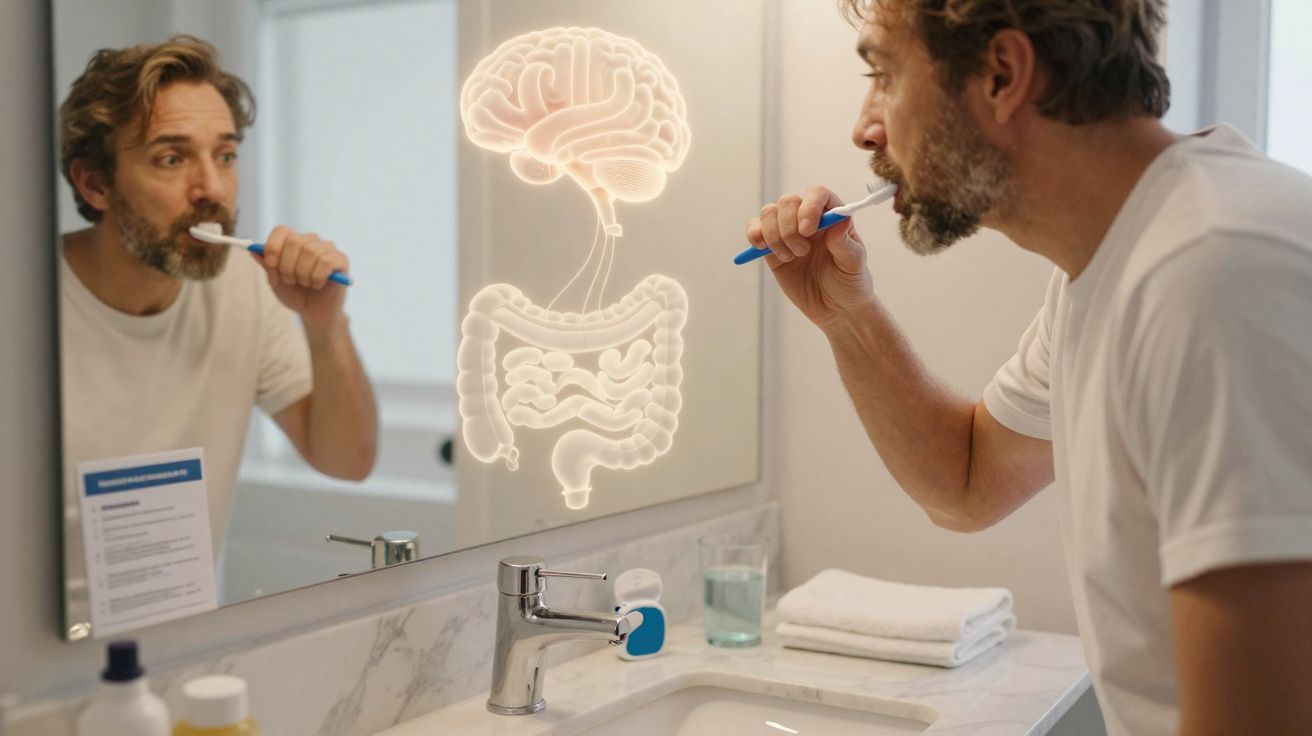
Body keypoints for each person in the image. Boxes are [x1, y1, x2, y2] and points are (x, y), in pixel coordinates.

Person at [746, 1, 1312, 733]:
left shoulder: (1215, 272)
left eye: (883, 75)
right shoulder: (1115, 266)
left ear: (1003, 74)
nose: (864, 128)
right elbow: (968, 482)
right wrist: (847, 316)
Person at [58, 35, 378, 554]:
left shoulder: (245, 286)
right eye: (172, 159)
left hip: (187, 611)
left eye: (225, 155)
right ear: (95, 183)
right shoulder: (25, 304)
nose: (212, 188)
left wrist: (324, 325)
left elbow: (348, 460)